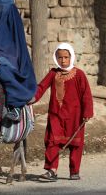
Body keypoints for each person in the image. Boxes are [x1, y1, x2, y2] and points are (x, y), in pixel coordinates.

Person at [29, 42, 94, 181]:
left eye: (66, 57)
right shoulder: (53, 73)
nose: (63, 60)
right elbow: (41, 87)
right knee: (52, 141)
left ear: (71, 57)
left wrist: (87, 112)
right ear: (55, 58)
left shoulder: (79, 75)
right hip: (56, 115)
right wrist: (31, 98)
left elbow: (86, 95)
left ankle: (74, 171)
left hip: (75, 116)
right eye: (60, 57)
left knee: (75, 144)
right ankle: (52, 171)